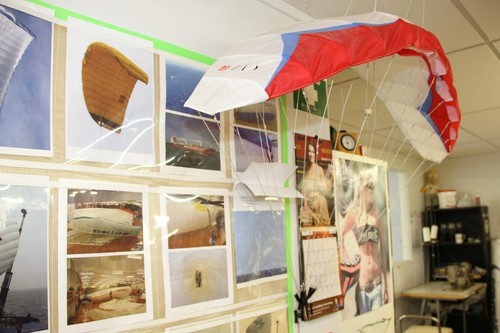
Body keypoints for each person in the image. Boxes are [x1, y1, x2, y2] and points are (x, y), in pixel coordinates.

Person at [341, 167, 388, 315]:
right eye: (369, 188)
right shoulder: (355, 213)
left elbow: (384, 253)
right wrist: (345, 256)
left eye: (372, 188)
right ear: (361, 190)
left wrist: (386, 286)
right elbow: (340, 234)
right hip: (362, 284)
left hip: (377, 283)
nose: (372, 192)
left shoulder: (376, 214)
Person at [299, 141, 333, 226]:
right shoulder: (305, 170)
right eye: (309, 151)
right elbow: (303, 189)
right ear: (306, 153)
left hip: (318, 202)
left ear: (315, 154)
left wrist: (332, 177)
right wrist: (305, 202)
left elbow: (326, 190)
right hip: (307, 203)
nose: (311, 154)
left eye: (313, 152)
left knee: (321, 227)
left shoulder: (319, 169)